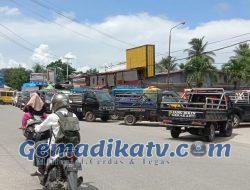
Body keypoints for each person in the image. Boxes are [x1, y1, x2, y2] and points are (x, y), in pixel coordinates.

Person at [31, 93, 79, 176]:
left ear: (55, 104)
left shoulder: (53, 116)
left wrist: (35, 128)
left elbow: (40, 128)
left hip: (56, 146)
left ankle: (40, 170)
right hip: (72, 146)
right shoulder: (74, 115)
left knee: (39, 145)